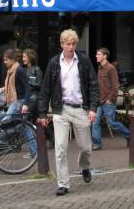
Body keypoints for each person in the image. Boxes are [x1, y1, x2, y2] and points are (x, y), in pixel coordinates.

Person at [37, 29, 99, 197]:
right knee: (60, 148)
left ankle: (84, 167)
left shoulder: (84, 60)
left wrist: (93, 108)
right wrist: (42, 113)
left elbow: (93, 85)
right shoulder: (54, 63)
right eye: (68, 44)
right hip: (61, 109)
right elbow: (46, 89)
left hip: (80, 108)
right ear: (62, 44)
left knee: (86, 147)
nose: (71, 47)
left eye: (73, 44)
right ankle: (63, 183)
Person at [91, 47, 130, 150]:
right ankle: (97, 143)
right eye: (97, 54)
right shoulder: (100, 68)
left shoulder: (111, 68)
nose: (96, 56)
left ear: (105, 56)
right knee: (95, 122)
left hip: (108, 101)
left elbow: (115, 85)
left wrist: (110, 99)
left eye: (99, 54)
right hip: (100, 101)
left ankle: (130, 136)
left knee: (112, 123)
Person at [0, 49, 36, 158]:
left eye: (6, 60)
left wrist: (25, 104)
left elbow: (27, 87)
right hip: (15, 101)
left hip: (19, 101)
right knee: (23, 126)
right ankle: (34, 151)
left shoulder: (19, 70)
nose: (5, 62)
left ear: (12, 60)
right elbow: (15, 85)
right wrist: (5, 88)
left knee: (6, 121)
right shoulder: (11, 70)